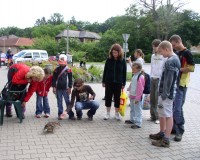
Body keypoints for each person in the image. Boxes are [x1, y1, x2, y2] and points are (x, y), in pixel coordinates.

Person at [149, 41, 180, 148]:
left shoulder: (171, 61)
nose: (161, 54)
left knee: (168, 114)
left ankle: (166, 139)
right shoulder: (172, 59)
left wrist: (164, 94)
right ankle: (162, 133)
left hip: (166, 94)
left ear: (167, 49)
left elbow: (169, 80)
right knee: (162, 113)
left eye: (161, 51)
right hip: (164, 93)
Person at [169, 35, 195, 142]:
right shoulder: (177, 53)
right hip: (175, 84)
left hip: (182, 84)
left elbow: (192, 68)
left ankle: (180, 131)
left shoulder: (187, 53)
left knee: (178, 109)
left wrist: (178, 69)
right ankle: (174, 129)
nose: (173, 47)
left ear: (179, 41)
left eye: (174, 44)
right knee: (173, 107)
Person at [102, 43, 127, 120]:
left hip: (118, 82)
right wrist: (103, 81)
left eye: (116, 52)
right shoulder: (109, 60)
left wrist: (124, 83)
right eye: (113, 52)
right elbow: (105, 71)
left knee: (117, 98)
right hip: (109, 81)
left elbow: (124, 72)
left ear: (119, 52)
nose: (114, 54)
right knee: (108, 97)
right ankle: (108, 113)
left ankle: (116, 114)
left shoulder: (122, 61)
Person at [52, 54, 75, 120]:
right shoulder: (56, 70)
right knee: (59, 102)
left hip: (66, 89)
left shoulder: (68, 70)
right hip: (58, 89)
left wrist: (70, 88)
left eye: (63, 62)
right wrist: (54, 87)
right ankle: (60, 114)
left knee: (67, 101)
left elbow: (70, 80)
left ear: (65, 62)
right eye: (60, 62)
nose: (62, 64)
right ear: (59, 62)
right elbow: (54, 79)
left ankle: (70, 114)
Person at [149, 39, 166, 124]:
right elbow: (152, 67)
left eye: (155, 46)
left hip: (159, 79)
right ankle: (152, 115)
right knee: (152, 98)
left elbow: (163, 69)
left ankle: (158, 117)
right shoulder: (152, 56)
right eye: (153, 46)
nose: (154, 48)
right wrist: (151, 76)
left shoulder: (163, 57)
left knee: (157, 99)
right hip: (153, 78)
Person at [126, 62, 145, 128]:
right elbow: (132, 83)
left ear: (138, 69)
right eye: (132, 68)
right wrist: (129, 88)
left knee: (137, 110)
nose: (132, 70)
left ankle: (138, 123)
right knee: (132, 108)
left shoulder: (140, 77)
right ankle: (132, 119)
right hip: (132, 95)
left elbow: (140, 89)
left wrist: (138, 98)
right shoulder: (134, 75)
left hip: (137, 97)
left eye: (134, 69)